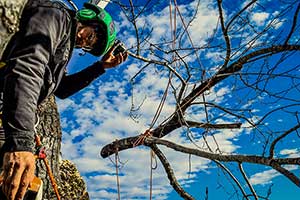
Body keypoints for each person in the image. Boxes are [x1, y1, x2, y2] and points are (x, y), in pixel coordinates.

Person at [0, 0, 128, 199]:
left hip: (7, 115)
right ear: (87, 18)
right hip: (6, 111)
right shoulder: (55, 16)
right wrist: (21, 142)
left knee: (24, 188)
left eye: (89, 45)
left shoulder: (64, 45)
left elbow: (60, 89)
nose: (84, 42)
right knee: (15, 184)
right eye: (90, 36)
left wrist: (100, 67)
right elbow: (27, 68)